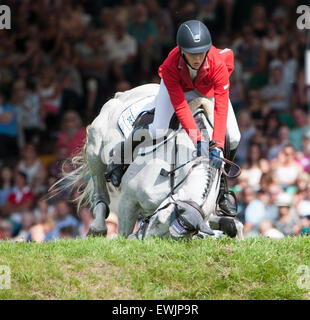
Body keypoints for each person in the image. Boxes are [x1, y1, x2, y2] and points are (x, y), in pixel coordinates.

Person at [106, 20, 241, 217]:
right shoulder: (171, 64)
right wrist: (197, 139)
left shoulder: (218, 63)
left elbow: (221, 107)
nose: (196, 58)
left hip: (209, 92)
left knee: (235, 136)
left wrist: (218, 146)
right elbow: (180, 106)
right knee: (157, 129)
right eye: (191, 53)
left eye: (200, 53)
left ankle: (221, 189)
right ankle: (120, 159)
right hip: (180, 91)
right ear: (181, 51)